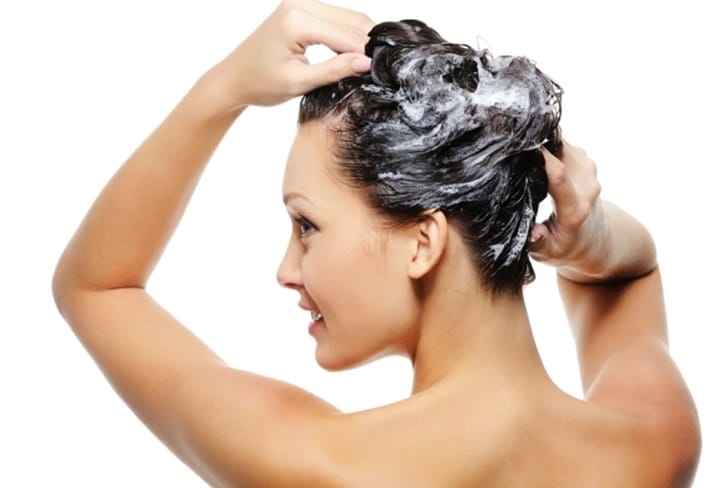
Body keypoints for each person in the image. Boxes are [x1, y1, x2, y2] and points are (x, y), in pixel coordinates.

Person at [52, 0, 700, 486]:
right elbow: (630, 275)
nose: (286, 269)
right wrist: (584, 236)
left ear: (424, 241)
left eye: (307, 226)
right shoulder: (650, 446)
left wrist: (220, 90)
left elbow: (97, 287)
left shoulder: (322, 465)